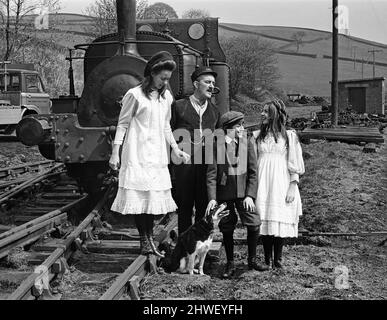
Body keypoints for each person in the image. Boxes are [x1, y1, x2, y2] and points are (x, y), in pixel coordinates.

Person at [109, 51, 190, 257]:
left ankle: (150, 239)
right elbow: (123, 124)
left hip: (156, 155)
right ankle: (144, 241)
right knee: (140, 200)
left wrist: (176, 148)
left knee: (151, 201)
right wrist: (115, 153)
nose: (165, 82)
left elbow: (165, 127)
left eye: (167, 79)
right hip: (137, 153)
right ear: (152, 74)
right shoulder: (134, 95)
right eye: (162, 78)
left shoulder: (166, 98)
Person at [206, 111, 269, 278]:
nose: (242, 128)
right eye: (238, 125)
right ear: (227, 129)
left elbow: (253, 172)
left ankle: (252, 259)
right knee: (227, 226)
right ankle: (230, 263)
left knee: (253, 222)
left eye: (242, 124)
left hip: (243, 194)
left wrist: (250, 195)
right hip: (224, 194)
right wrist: (212, 198)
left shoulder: (246, 142)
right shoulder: (216, 144)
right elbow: (212, 174)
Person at [254, 99, 305, 269]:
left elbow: (295, 162)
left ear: (275, 115)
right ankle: (267, 259)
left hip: (281, 180)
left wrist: (293, 184)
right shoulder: (257, 136)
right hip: (262, 181)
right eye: (262, 111)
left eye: (266, 111)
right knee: (265, 217)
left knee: (279, 217)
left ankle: (278, 258)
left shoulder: (289, 136)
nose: (262, 114)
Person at [171, 66, 221, 235]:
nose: (212, 86)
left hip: (205, 169)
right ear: (196, 84)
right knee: (184, 209)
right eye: (207, 82)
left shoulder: (215, 112)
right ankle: (184, 250)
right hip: (182, 168)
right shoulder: (178, 107)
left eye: (213, 83)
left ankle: (199, 250)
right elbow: (167, 136)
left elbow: (218, 142)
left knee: (203, 209)